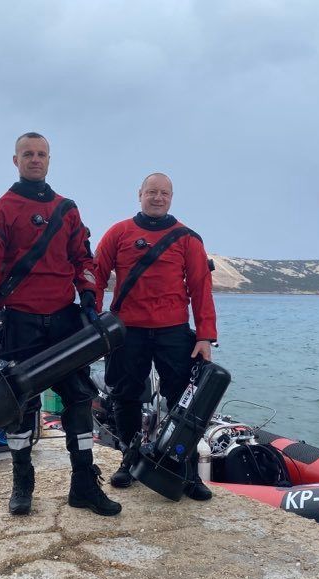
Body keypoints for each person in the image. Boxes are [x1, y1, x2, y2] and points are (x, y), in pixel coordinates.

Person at [0, 132, 121, 517]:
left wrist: (89, 297)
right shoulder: (1, 210)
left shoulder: (67, 209)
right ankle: (22, 482)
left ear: (49, 160)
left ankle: (84, 484)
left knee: (79, 399)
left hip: (65, 322)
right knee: (18, 403)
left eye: (42, 154)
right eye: (28, 154)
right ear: (15, 161)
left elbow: (83, 260)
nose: (35, 159)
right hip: (18, 323)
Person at [94, 172, 217, 500]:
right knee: (126, 396)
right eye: (152, 192)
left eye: (164, 193)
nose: (158, 198)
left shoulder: (188, 238)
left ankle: (187, 471)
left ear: (171, 198)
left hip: (173, 331)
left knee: (183, 401)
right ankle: (129, 460)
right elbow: (96, 275)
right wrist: (93, 321)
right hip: (127, 331)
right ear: (140, 194)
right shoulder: (119, 232)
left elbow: (201, 288)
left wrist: (205, 336)